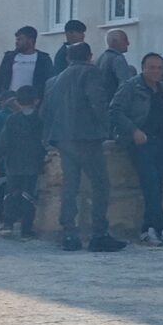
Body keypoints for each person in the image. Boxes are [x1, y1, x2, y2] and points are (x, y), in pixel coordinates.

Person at [45, 43, 124, 252]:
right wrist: (106, 128)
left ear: (68, 58)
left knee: (70, 185)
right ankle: (99, 233)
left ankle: (69, 233)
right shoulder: (91, 73)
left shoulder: (57, 79)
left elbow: (48, 109)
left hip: (64, 138)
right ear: (90, 56)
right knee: (101, 184)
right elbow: (97, 102)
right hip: (87, 137)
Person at [116, 52, 163, 247]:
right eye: (152, 67)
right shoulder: (130, 87)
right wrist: (133, 130)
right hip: (141, 144)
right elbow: (116, 111)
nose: (156, 71)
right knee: (151, 183)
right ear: (143, 68)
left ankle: (148, 228)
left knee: (156, 186)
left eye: (159, 68)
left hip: (162, 142)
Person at [0, 86, 46, 239]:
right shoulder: (40, 120)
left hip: (13, 164)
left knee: (11, 194)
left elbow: (3, 142)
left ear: (17, 101)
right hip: (32, 164)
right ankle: (26, 230)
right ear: (36, 101)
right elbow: (44, 143)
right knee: (28, 196)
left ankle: (8, 224)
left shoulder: (12, 119)